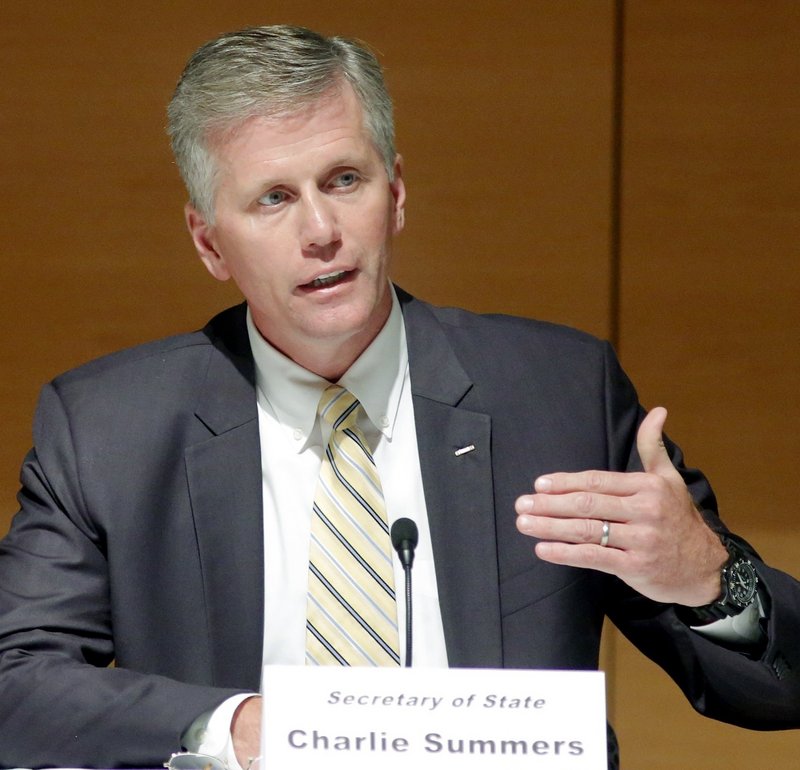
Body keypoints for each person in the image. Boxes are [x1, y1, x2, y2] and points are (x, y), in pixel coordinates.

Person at [0, 24, 798, 770]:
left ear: (398, 192)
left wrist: (708, 578)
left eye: (344, 180)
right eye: (273, 198)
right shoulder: (109, 430)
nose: (321, 229)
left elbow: (775, 691)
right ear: (210, 243)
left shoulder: (557, 396)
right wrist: (241, 728)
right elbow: (15, 681)